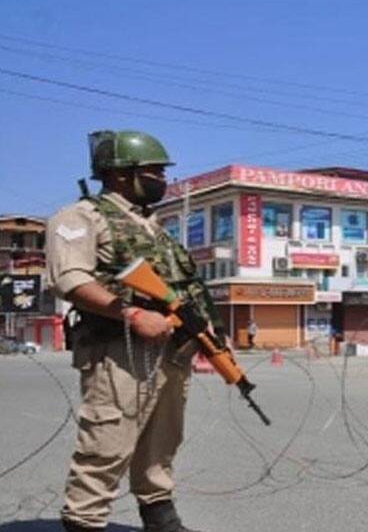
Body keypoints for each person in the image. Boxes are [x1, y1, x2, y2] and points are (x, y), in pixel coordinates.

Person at [47, 130, 217, 532]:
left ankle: (159, 515)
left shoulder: (151, 226)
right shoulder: (80, 217)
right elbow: (70, 280)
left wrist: (206, 333)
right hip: (118, 350)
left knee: (162, 442)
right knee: (107, 442)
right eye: (154, 170)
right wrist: (130, 314)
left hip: (171, 349)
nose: (162, 178)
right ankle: (84, 520)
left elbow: (179, 287)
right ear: (120, 174)